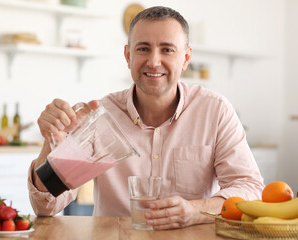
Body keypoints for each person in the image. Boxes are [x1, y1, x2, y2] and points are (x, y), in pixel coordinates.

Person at [28, 6, 264, 230]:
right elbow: (45, 207)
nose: (153, 61)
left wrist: (195, 210)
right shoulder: (101, 116)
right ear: (128, 55)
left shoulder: (215, 111)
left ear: (186, 58)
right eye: (143, 48)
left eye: (167, 49)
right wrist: (51, 144)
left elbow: (251, 189)